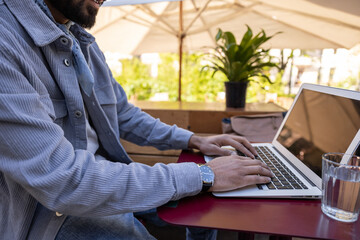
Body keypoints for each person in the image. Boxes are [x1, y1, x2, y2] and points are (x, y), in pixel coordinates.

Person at [0, 0, 274, 239]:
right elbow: (64, 181)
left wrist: (193, 139)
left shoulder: (79, 40)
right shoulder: (6, 42)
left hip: (100, 180)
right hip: (49, 215)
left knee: (208, 211)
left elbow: (122, 113)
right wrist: (204, 174)